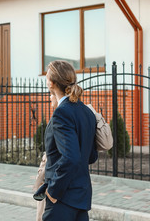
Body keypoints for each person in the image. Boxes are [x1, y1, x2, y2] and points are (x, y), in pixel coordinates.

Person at [43, 60, 98, 221]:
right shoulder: (86, 112)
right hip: (81, 196)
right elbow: (91, 156)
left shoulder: (62, 113)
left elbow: (71, 157)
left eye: (47, 76)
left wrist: (53, 191)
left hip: (63, 198)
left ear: (51, 83)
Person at [33, 94, 57, 221]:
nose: (49, 97)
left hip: (52, 182)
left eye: (52, 93)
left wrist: (53, 190)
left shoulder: (61, 117)